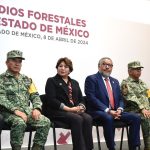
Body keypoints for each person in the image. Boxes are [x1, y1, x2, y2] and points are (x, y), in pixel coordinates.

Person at [84, 57, 141, 150]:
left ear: (112, 68)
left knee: (136, 117)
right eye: (104, 64)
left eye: (110, 65)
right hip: (98, 111)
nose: (107, 67)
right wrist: (108, 110)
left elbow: (120, 99)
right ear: (99, 66)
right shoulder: (92, 79)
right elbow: (91, 98)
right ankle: (111, 147)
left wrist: (120, 109)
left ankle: (134, 147)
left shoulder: (115, 81)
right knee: (109, 117)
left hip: (115, 111)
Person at [0, 50, 50, 150]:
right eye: (13, 60)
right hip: (8, 113)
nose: (17, 63)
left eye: (19, 61)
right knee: (20, 123)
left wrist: (36, 108)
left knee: (45, 122)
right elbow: (1, 98)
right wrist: (15, 110)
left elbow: (35, 95)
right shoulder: (1, 79)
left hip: (26, 111)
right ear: (6, 62)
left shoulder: (27, 79)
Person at [45, 57, 93, 150]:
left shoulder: (74, 82)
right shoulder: (51, 81)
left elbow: (81, 98)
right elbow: (51, 100)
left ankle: (88, 148)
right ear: (57, 68)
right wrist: (69, 109)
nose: (62, 68)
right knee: (77, 119)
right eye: (60, 66)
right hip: (57, 111)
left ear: (70, 69)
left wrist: (81, 107)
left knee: (88, 118)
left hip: (73, 111)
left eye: (66, 66)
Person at [121, 61, 150, 150]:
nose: (139, 71)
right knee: (146, 117)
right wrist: (142, 109)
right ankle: (148, 146)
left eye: (140, 69)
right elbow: (130, 97)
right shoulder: (125, 83)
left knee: (147, 114)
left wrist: (148, 108)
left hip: (145, 109)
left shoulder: (142, 83)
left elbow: (148, 96)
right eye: (136, 69)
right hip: (132, 110)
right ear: (129, 71)